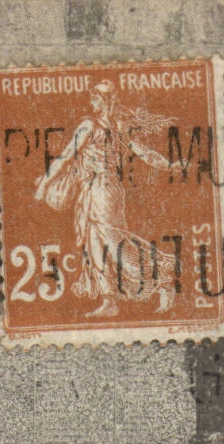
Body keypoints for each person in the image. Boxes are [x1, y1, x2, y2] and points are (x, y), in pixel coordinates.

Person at [34, 80, 176, 318]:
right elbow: (143, 152)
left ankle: (162, 279)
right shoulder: (119, 126)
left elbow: (65, 157)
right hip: (106, 190)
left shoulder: (89, 127)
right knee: (94, 245)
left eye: (95, 98)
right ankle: (109, 301)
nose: (91, 102)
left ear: (102, 101)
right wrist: (168, 164)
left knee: (112, 243)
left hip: (101, 190)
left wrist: (45, 184)